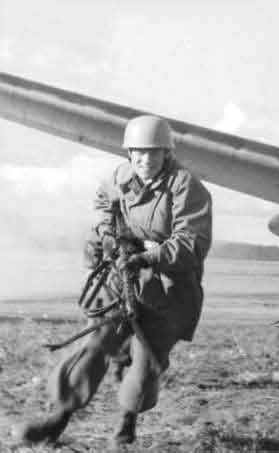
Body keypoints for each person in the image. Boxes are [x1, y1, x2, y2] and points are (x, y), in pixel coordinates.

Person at [13, 115, 213, 447]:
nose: (144, 160)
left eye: (153, 153)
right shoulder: (122, 177)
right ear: (128, 153)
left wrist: (149, 256)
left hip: (168, 289)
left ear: (167, 153)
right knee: (94, 345)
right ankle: (56, 420)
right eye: (137, 152)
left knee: (145, 362)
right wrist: (109, 236)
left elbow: (192, 242)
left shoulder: (187, 186)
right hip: (121, 279)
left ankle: (125, 425)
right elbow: (105, 205)